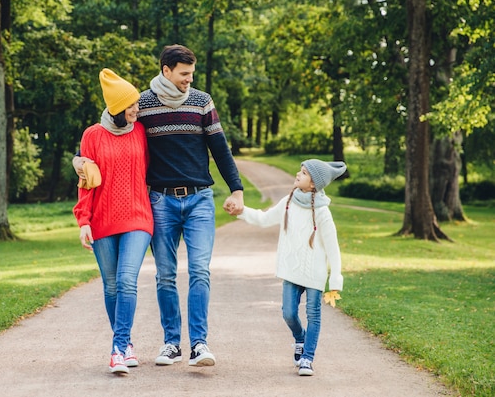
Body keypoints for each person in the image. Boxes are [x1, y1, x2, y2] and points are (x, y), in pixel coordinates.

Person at [74, 45, 244, 367]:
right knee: (165, 275)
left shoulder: (201, 101)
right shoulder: (143, 106)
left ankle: (199, 344)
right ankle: (171, 343)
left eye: (192, 74)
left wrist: (237, 189)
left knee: (199, 271)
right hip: (161, 201)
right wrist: (80, 162)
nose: (189, 80)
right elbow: (111, 137)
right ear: (166, 70)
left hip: (199, 199)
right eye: (184, 74)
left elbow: (220, 149)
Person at [228, 159, 345, 376]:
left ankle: (307, 358)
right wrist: (242, 211)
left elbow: (333, 248)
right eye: (299, 170)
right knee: (289, 314)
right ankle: (300, 339)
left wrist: (335, 279)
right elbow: (263, 219)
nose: (298, 175)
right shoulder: (288, 202)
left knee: (313, 314)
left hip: (314, 274)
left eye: (303, 173)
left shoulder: (323, 213)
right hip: (291, 271)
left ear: (313, 184)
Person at [73, 68, 153, 375]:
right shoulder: (92, 135)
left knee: (125, 281)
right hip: (103, 220)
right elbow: (86, 181)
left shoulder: (141, 131)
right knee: (110, 286)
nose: (137, 109)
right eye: (131, 105)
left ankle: (117, 349)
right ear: (117, 107)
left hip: (137, 217)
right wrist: (84, 221)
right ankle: (127, 342)